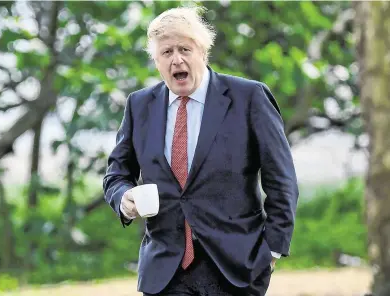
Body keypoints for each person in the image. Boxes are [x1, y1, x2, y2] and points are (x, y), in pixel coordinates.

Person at [103, 6, 298, 296]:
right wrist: (123, 197)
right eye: (167, 52)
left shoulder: (249, 97)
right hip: (165, 272)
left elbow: (281, 180)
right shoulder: (139, 106)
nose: (177, 59)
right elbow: (117, 174)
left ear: (203, 52)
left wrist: (272, 250)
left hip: (236, 269)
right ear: (156, 60)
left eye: (185, 49)